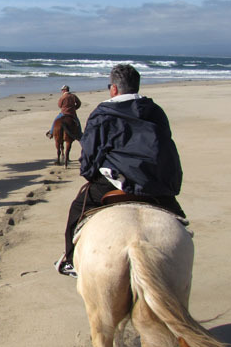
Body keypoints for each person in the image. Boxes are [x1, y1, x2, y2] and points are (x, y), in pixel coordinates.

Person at [55, 64, 185, 277]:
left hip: (115, 182)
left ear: (113, 89)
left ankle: (69, 260)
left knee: (76, 210)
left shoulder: (103, 112)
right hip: (155, 183)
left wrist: (89, 173)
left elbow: (90, 151)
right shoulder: (155, 111)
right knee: (181, 222)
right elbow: (165, 146)